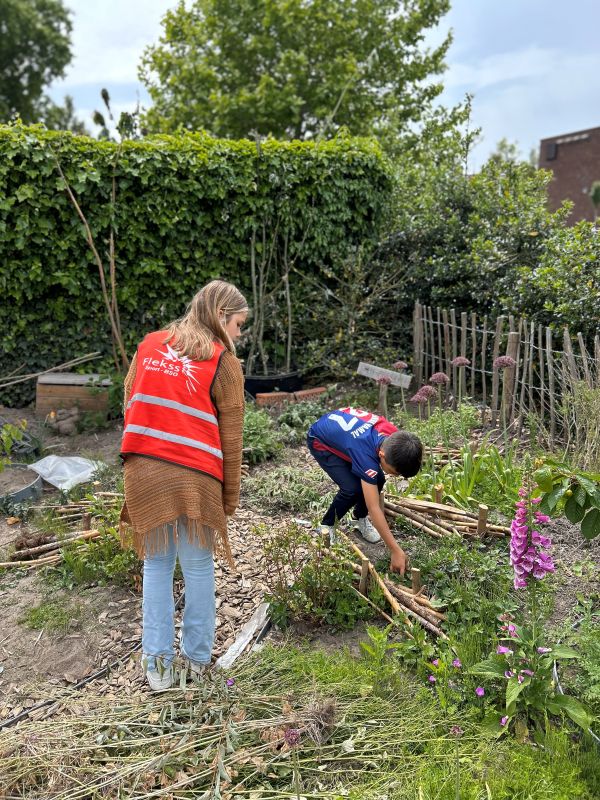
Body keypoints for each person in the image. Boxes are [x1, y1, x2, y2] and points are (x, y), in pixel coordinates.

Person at [119, 280, 247, 691]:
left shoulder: (150, 345)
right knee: (197, 566)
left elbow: (129, 401)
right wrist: (229, 497)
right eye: (239, 324)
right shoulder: (223, 362)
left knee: (156, 564)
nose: (240, 333)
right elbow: (231, 437)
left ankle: (157, 667)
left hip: (144, 469)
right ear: (221, 316)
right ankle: (195, 660)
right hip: (196, 475)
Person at [307, 406, 422, 575]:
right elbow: (374, 508)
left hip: (346, 434)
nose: (395, 476)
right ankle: (327, 525)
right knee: (352, 489)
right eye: (395, 472)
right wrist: (395, 550)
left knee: (378, 479)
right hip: (321, 440)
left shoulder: (396, 437)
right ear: (382, 455)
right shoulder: (366, 456)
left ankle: (358, 519)